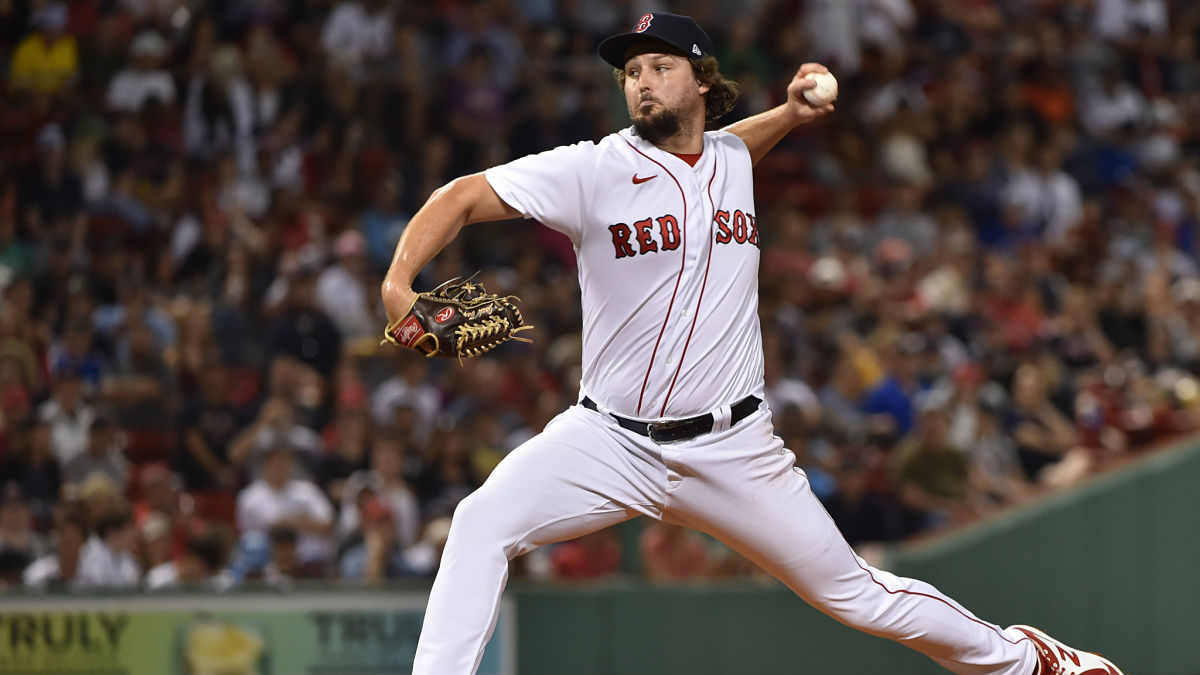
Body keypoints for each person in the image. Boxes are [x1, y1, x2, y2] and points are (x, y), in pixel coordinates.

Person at [379, 12, 1123, 675]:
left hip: (733, 448)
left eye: (659, 66)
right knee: (480, 522)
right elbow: (462, 195)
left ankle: (1028, 659)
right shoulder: (592, 169)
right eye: (631, 71)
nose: (640, 82)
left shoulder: (731, 159)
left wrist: (792, 116)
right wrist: (400, 282)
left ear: (701, 80)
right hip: (608, 439)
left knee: (859, 597)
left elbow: (727, 149)